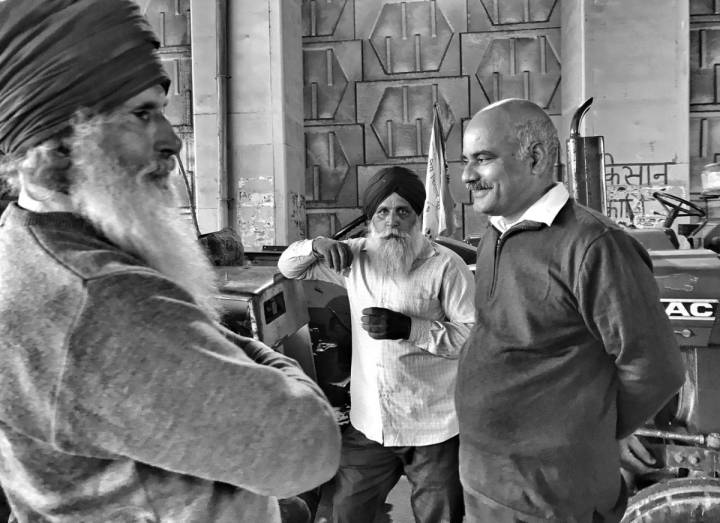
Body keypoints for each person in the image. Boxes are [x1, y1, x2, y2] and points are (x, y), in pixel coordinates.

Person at [0, 1, 340, 522]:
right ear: (60, 141)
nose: (172, 140)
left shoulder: (24, 242)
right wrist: (278, 367)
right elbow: (308, 447)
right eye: (142, 114)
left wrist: (202, 337)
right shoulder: (99, 301)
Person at [456, 98, 685, 522]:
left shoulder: (594, 245)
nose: (467, 175)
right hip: (487, 484)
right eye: (466, 161)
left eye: (482, 159)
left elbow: (656, 368)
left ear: (536, 157)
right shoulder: (494, 236)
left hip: (553, 499)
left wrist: (599, 429)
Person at [278, 166, 475, 523]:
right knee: (346, 513)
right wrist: (317, 244)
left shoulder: (447, 266)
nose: (392, 222)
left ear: (418, 218)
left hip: (434, 427)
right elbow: (290, 268)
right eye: (383, 212)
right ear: (371, 219)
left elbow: (473, 339)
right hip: (372, 425)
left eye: (403, 212)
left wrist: (412, 328)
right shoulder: (353, 257)